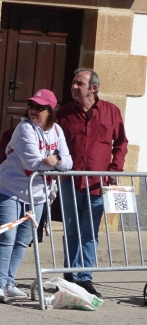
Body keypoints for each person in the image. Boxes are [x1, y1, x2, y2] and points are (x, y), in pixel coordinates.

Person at [0, 89, 72, 303]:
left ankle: (9, 282)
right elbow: (33, 164)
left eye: (39, 107)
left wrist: (57, 160)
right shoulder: (24, 128)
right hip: (9, 189)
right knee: (7, 237)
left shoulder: (56, 130)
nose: (33, 111)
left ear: (50, 110)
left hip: (37, 195)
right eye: (31, 106)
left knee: (24, 239)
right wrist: (55, 160)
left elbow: (68, 162)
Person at [56, 68, 128, 299]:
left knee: (89, 231)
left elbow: (121, 143)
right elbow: (53, 143)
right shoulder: (64, 114)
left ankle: (85, 277)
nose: (74, 87)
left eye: (79, 83)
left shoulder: (110, 112)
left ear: (93, 88)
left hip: (97, 183)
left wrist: (114, 169)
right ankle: (69, 275)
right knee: (71, 229)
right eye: (74, 82)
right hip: (70, 181)